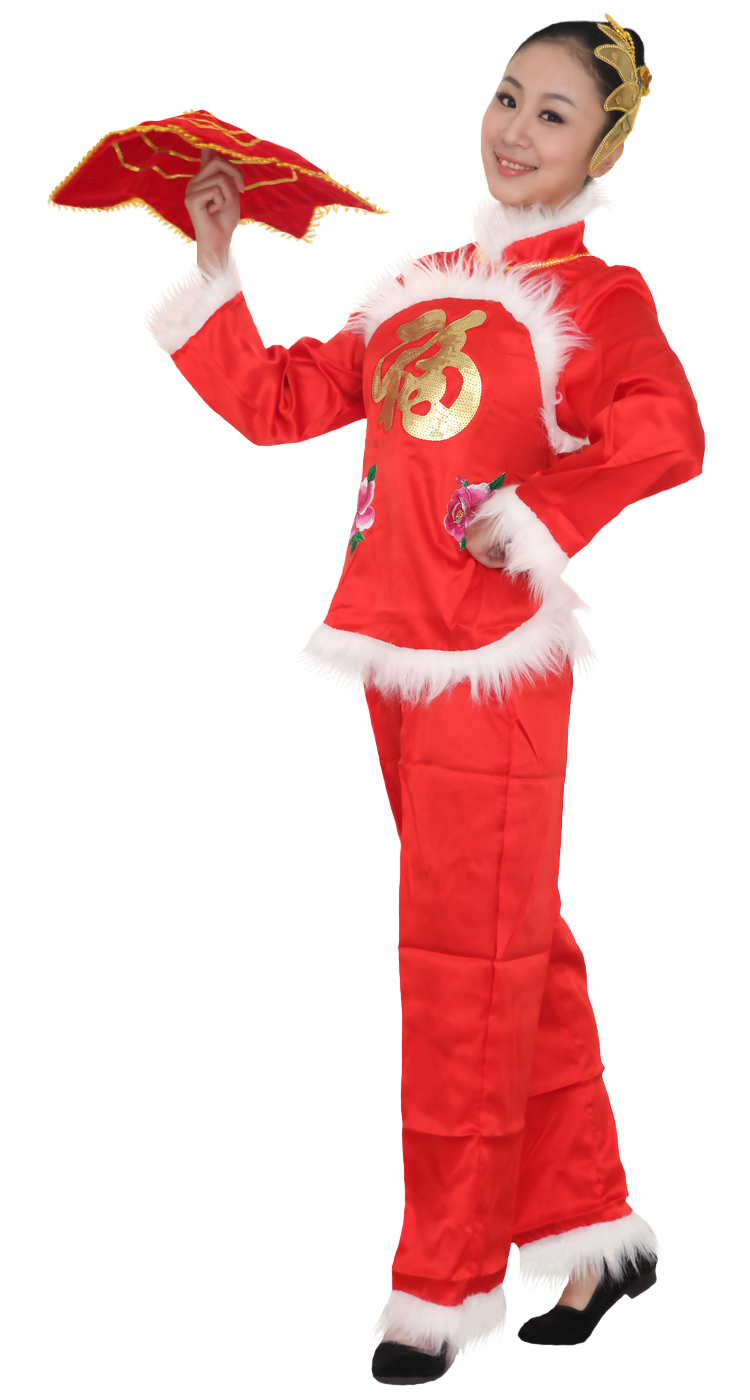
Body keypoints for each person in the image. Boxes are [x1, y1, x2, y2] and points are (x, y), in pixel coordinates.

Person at [143, 13, 704, 1385]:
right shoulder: (415, 281)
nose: (515, 130)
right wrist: (215, 265)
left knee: (461, 960)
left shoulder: (599, 297)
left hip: (496, 669)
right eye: (507, 96)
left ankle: (443, 1281)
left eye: (554, 114)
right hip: (397, 652)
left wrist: (537, 514)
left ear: (605, 147)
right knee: (511, 942)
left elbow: (665, 429)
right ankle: (594, 1231)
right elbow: (284, 402)